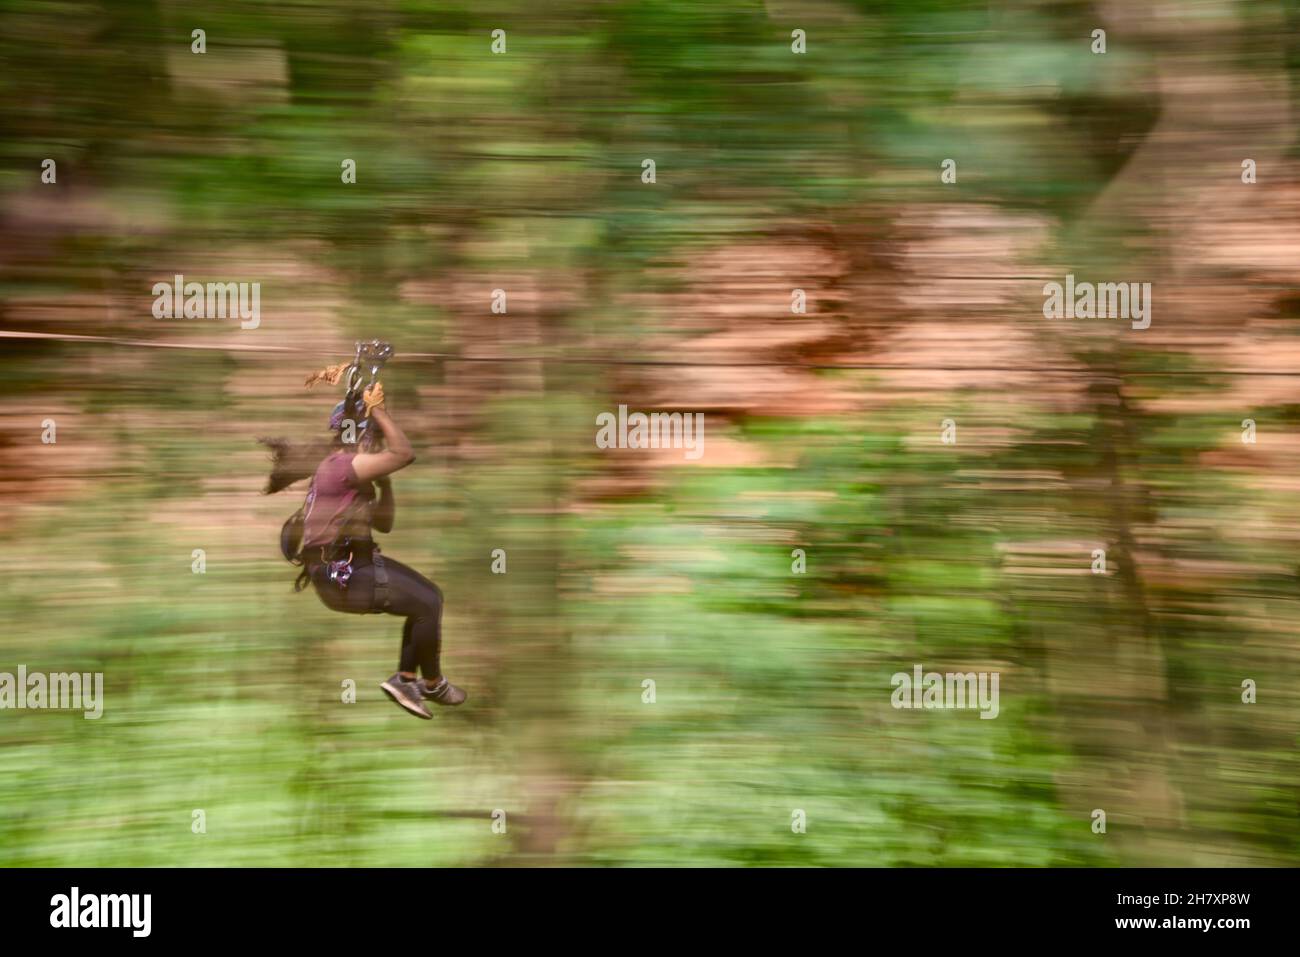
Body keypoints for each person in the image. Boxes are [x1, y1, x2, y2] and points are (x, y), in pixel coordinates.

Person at [282, 383, 466, 719]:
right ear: (358, 435)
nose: (376, 445)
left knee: (428, 599)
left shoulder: (348, 473)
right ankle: (430, 683)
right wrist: (379, 409)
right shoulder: (340, 466)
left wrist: (385, 483)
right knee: (428, 602)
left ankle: (408, 679)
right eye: (373, 436)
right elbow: (404, 454)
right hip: (345, 576)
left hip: (349, 570)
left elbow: (384, 524)